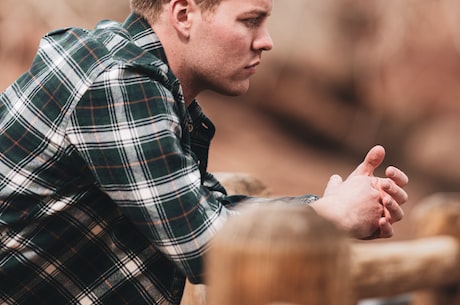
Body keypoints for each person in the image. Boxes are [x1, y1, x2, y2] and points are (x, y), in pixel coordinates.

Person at [0, 0, 408, 304]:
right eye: (250, 20)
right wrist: (331, 218)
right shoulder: (118, 83)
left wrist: (326, 206)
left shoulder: (135, 74)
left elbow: (206, 208)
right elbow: (206, 248)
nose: (266, 41)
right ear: (183, 15)